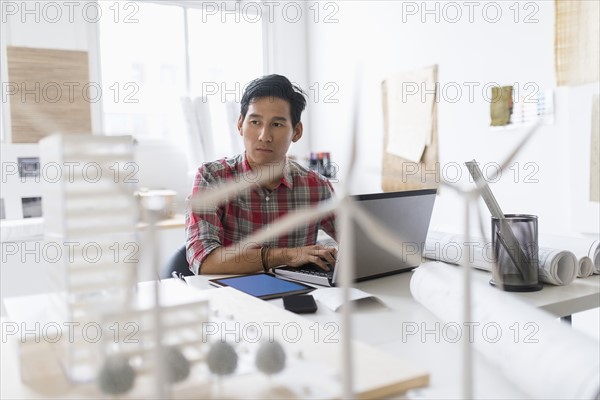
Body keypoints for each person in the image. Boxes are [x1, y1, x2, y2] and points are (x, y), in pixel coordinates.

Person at [185, 74, 337, 275]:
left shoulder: (316, 186)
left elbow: (359, 244)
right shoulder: (212, 178)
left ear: (297, 132)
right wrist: (285, 255)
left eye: (277, 124)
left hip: (296, 299)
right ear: (240, 124)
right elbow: (203, 260)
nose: (264, 136)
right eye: (255, 122)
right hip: (231, 297)